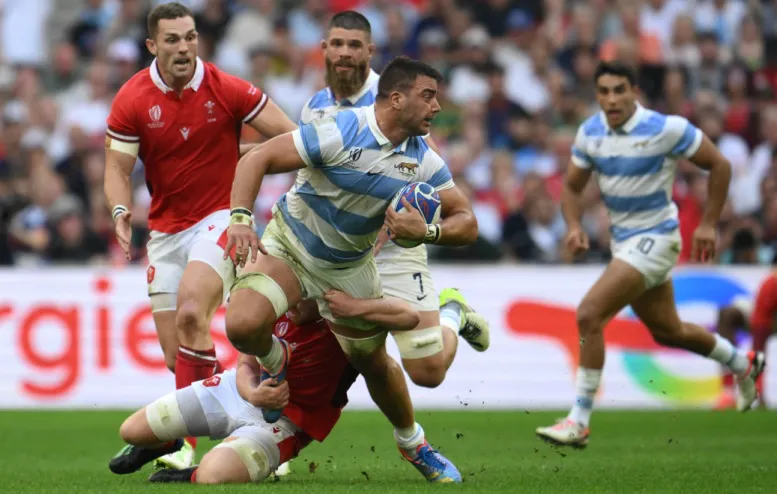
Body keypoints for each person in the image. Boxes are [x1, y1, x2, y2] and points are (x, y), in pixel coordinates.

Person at [222, 57, 477, 483]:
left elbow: (467, 220)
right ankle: (275, 358)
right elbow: (258, 158)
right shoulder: (340, 130)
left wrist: (427, 230)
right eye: (428, 96)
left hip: (349, 266)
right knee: (241, 325)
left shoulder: (425, 161)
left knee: (373, 364)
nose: (437, 107)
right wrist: (241, 219)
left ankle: (414, 444)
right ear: (396, 99)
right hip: (292, 246)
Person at [103, 2, 296, 468]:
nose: (184, 47)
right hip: (166, 232)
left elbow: (292, 138)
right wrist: (120, 208)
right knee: (179, 358)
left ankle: (182, 446)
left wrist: (248, 159)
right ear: (153, 46)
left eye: (190, 37)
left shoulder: (225, 87)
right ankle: (259, 418)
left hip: (221, 217)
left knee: (193, 311)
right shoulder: (131, 98)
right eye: (172, 39)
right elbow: (116, 165)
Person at [535, 61, 766, 448]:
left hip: (658, 238)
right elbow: (572, 187)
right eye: (604, 91)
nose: (611, 99)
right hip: (624, 243)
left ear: (634, 91)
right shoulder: (590, 132)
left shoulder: (665, 128)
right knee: (668, 331)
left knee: (589, 313)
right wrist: (573, 225)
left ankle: (579, 420)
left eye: (619, 90)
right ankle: (743, 363)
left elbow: (719, 165)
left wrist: (709, 224)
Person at [299, 11, 490, 391]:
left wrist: (410, 225)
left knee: (428, 373)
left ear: (370, 52)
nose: (344, 53)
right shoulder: (315, 106)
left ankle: (452, 311)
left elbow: (424, 168)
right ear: (324, 49)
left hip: (390, 249)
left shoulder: (392, 98)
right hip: (338, 249)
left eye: (354, 45)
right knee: (301, 319)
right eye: (337, 44)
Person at [108, 296, 427, 484]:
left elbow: (409, 316)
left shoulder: (344, 318)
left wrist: (354, 307)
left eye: (305, 293)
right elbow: (246, 364)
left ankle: (192, 474)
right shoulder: (273, 296)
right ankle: (165, 442)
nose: (296, 303)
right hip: (237, 390)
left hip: (288, 422)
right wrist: (252, 393)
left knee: (212, 477)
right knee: (130, 431)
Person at [715, 268, 776, 407]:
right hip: (760, 309)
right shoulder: (771, 284)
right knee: (726, 315)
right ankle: (728, 390)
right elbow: (759, 335)